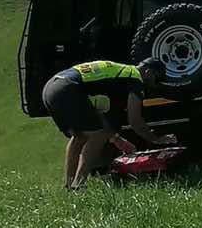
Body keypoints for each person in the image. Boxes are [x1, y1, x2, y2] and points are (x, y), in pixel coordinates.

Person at [42, 59, 175, 190]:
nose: (154, 85)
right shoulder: (135, 79)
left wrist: (117, 139)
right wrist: (156, 139)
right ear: (148, 72)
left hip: (51, 88)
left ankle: (69, 186)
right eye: (156, 79)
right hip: (67, 88)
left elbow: (97, 116)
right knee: (98, 135)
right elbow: (135, 121)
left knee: (80, 136)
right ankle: (79, 185)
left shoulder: (119, 72)